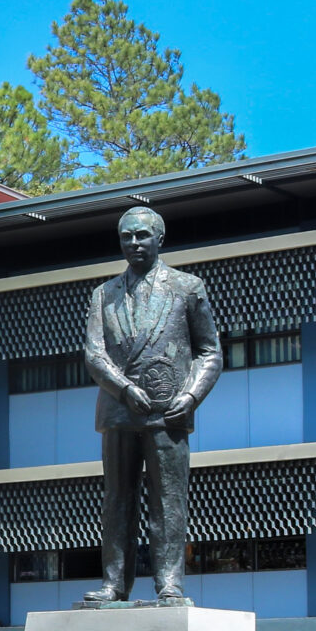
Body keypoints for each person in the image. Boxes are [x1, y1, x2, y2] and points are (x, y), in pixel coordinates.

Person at [81, 204, 223, 604]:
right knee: (116, 501)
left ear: (160, 238)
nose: (133, 243)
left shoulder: (187, 287)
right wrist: (124, 389)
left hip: (169, 412)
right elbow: (94, 355)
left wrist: (191, 396)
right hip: (119, 409)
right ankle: (114, 584)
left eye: (141, 235)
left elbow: (210, 352)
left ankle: (170, 583)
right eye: (126, 236)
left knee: (169, 502)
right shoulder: (103, 294)